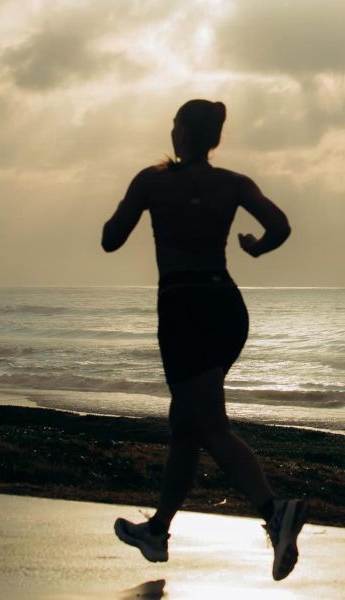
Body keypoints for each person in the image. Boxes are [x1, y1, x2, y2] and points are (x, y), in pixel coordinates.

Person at [101, 99, 305, 581]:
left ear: (183, 133)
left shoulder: (151, 181)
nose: (171, 131)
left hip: (184, 308)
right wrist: (256, 247)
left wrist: (135, 206)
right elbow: (280, 225)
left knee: (209, 424)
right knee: (185, 425)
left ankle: (275, 510)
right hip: (227, 308)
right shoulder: (234, 183)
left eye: (175, 124)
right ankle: (157, 530)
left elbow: (110, 239)